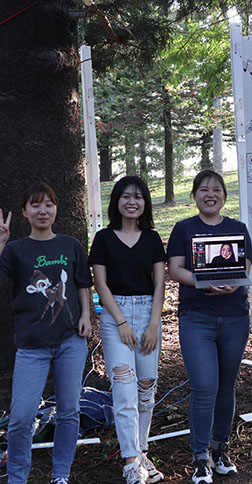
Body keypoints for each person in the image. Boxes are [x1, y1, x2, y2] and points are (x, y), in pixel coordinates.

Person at [0, 183, 92, 484]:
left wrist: (86, 318)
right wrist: (0, 243)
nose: (43, 210)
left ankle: (60, 475)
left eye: (49, 204)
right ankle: (16, 478)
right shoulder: (15, 250)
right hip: (31, 347)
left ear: (56, 209)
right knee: (20, 419)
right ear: (25, 212)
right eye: (35, 205)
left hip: (70, 342)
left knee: (68, 412)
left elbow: (81, 284)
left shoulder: (70, 245)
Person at [167, 170, 252, 484]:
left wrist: (231, 285)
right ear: (195, 195)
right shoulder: (183, 229)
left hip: (233, 316)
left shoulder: (237, 228)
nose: (210, 194)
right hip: (196, 317)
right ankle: (200, 456)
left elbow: (244, 268)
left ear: (224, 196)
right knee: (204, 386)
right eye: (203, 190)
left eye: (216, 189)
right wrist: (206, 281)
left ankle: (221, 449)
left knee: (226, 386)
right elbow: (175, 270)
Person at [89, 176, 166, 484]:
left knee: (146, 389)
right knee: (124, 389)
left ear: (145, 203)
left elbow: (160, 282)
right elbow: (100, 284)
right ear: (117, 202)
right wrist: (120, 322)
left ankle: (141, 448)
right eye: (126, 197)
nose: (132, 202)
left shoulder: (152, 238)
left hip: (148, 313)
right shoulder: (104, 238)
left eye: (138, 197)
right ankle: (130, 461)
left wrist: (153, 324)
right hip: (114, 316)